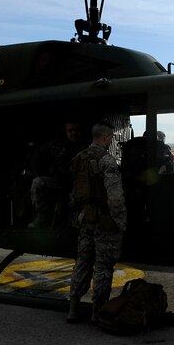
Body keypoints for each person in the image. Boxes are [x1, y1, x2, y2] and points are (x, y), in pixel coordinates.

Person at [67, 122, 127, 323]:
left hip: (86, 219)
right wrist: (120, 222)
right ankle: (97, 312)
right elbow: (116, 198)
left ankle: (73, 309)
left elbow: (74, 194)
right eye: (110, 138)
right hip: (104, 221)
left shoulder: (78, 159)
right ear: (105, 138)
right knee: (103, 266)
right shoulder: (107, 162)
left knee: (82, 262)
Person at [27, 122, 83, 228]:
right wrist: (41, 173)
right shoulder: (56, 145)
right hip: (57, 181)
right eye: (70, 131)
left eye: (76, 130)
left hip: (77, 185)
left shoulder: (86, 147)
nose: (74, 133)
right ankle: (41, 216)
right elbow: (37, 156)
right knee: (37, 182)